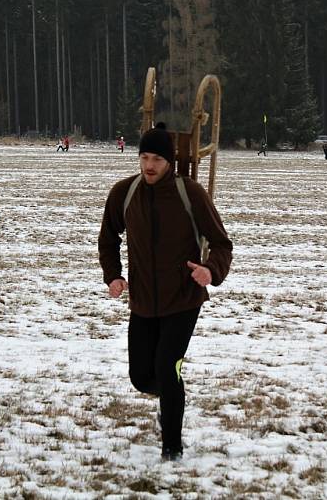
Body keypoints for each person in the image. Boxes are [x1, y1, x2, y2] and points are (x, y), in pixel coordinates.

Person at [98, 123, 233, 462]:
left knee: (167, 367)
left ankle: (171, 447)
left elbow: (221, 243)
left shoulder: (190, 194)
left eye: (157, 158)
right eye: (144, 157)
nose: (149, 165)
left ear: (169, 162)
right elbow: (108, 238)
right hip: (142, 301)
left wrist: (210, 271)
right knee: (141, 376)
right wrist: (113, 275)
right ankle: (172, 400)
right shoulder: (124, 193)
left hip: (183, 300)